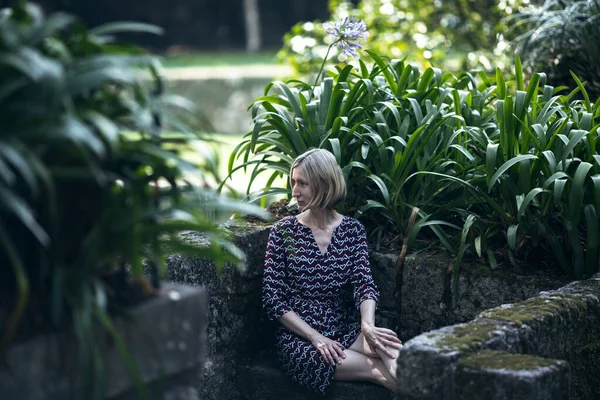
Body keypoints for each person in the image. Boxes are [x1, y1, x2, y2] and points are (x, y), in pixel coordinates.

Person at [262, 148, 402, 395]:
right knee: (375, 367)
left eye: (303, 184)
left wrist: (368, 326)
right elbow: (274, 300)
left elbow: (364, 284)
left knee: (391, 349)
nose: (294, 191)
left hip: (343, 324)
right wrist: (316, 337)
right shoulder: (283, 232)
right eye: (293, 182)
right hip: (300, 338)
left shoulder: (352, 230)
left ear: (324, 184)